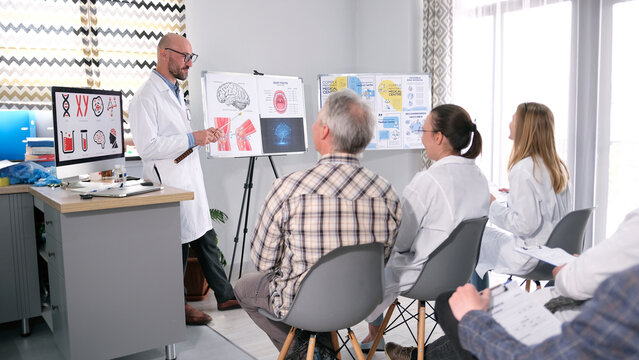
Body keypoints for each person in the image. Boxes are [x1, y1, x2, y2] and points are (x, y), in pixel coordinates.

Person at [233, 88, 402, 353]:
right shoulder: (387, 192)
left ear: (324, 131)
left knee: (244, 287)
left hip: (302, 305)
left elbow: (264, 261)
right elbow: (383, 257)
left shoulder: (289, 188)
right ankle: (318, 348)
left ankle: (303, 351)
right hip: (360, 303)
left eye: (316, 119)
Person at [129, 33, 239, 326]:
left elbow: (175, 136)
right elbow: (147, 147)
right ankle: (175, 307)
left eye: (192, 57)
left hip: (186, 177)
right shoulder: (145, 97)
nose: (189, 63)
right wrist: (194, 138)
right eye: (184, 56)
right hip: (168, 183)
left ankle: (225, 294)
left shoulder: (175, 90)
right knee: (176, 246)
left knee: (204, 235)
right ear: (164, 54)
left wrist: (201, 139)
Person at [360, 104, 490, 351]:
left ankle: (365, 337)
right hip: (461, 276)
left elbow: (402, 241)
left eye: (424, 130)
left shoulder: (427, 181)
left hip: (421, 277)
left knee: (370, 268)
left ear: (439, 137)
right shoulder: (480, 179)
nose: (421, 137)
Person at [474, 102, 573, 290]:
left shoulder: (523, 170)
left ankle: (475, 307)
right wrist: (514, 197)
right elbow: (545, 206)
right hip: (555, 252)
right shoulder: (558, 167)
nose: (509, 123)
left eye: (513, 119)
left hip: (530, 256)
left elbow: (524, 226)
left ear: (525, 128)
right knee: (484, 239)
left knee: (474, 239)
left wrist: (492, 204)